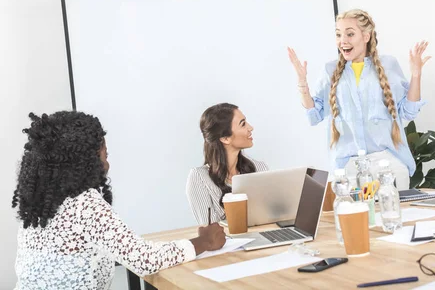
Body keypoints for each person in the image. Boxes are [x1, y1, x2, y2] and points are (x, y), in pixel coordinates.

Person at [13, 111, 225, 290]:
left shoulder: (39, 206)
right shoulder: (84, 204)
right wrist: (203, 242)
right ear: (87, 157)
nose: (107, 157)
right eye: (104, 151)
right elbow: (145, 260)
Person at [287, 9, 429, 189]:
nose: (342, 41)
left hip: (389, 164)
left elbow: (408, 111)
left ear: (366, 36)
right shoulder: (330, 71)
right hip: (348, 169)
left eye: (350, 34)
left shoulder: (388, 65)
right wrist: (302, 83)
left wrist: (416, 74)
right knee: (355, 217)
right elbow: (315, 114)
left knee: (393, 215)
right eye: (338, 35)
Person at [187, 103, 268, 225]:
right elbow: (209, 231)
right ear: (225, 138)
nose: (251, 128)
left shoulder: (260, 168)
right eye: (243, 124)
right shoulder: (200, 177)